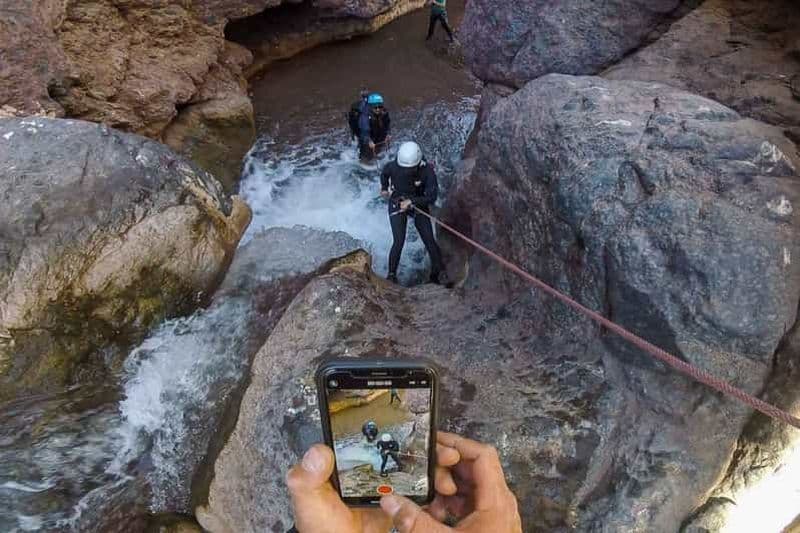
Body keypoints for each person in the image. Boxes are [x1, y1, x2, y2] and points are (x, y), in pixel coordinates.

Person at [286, 431, 523, 533]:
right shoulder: (382, 442)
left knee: (394, 464)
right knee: (386, 464)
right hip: (384, 459)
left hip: (391, 458)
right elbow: (382, 447)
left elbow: (392, 449)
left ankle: (393, 469)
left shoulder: (390, 444)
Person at [380, 141, 445, 285]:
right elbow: (384, 173)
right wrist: (384, 188)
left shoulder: (427, 171)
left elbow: (431, 197)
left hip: (418, 203)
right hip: (398, 201)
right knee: (398, 241)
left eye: (409, 169)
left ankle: (439, 273)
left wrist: (412, 202)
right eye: (404, 168)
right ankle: (391, 275)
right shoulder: (394, 166)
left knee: (429, 239)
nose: (406, 172)